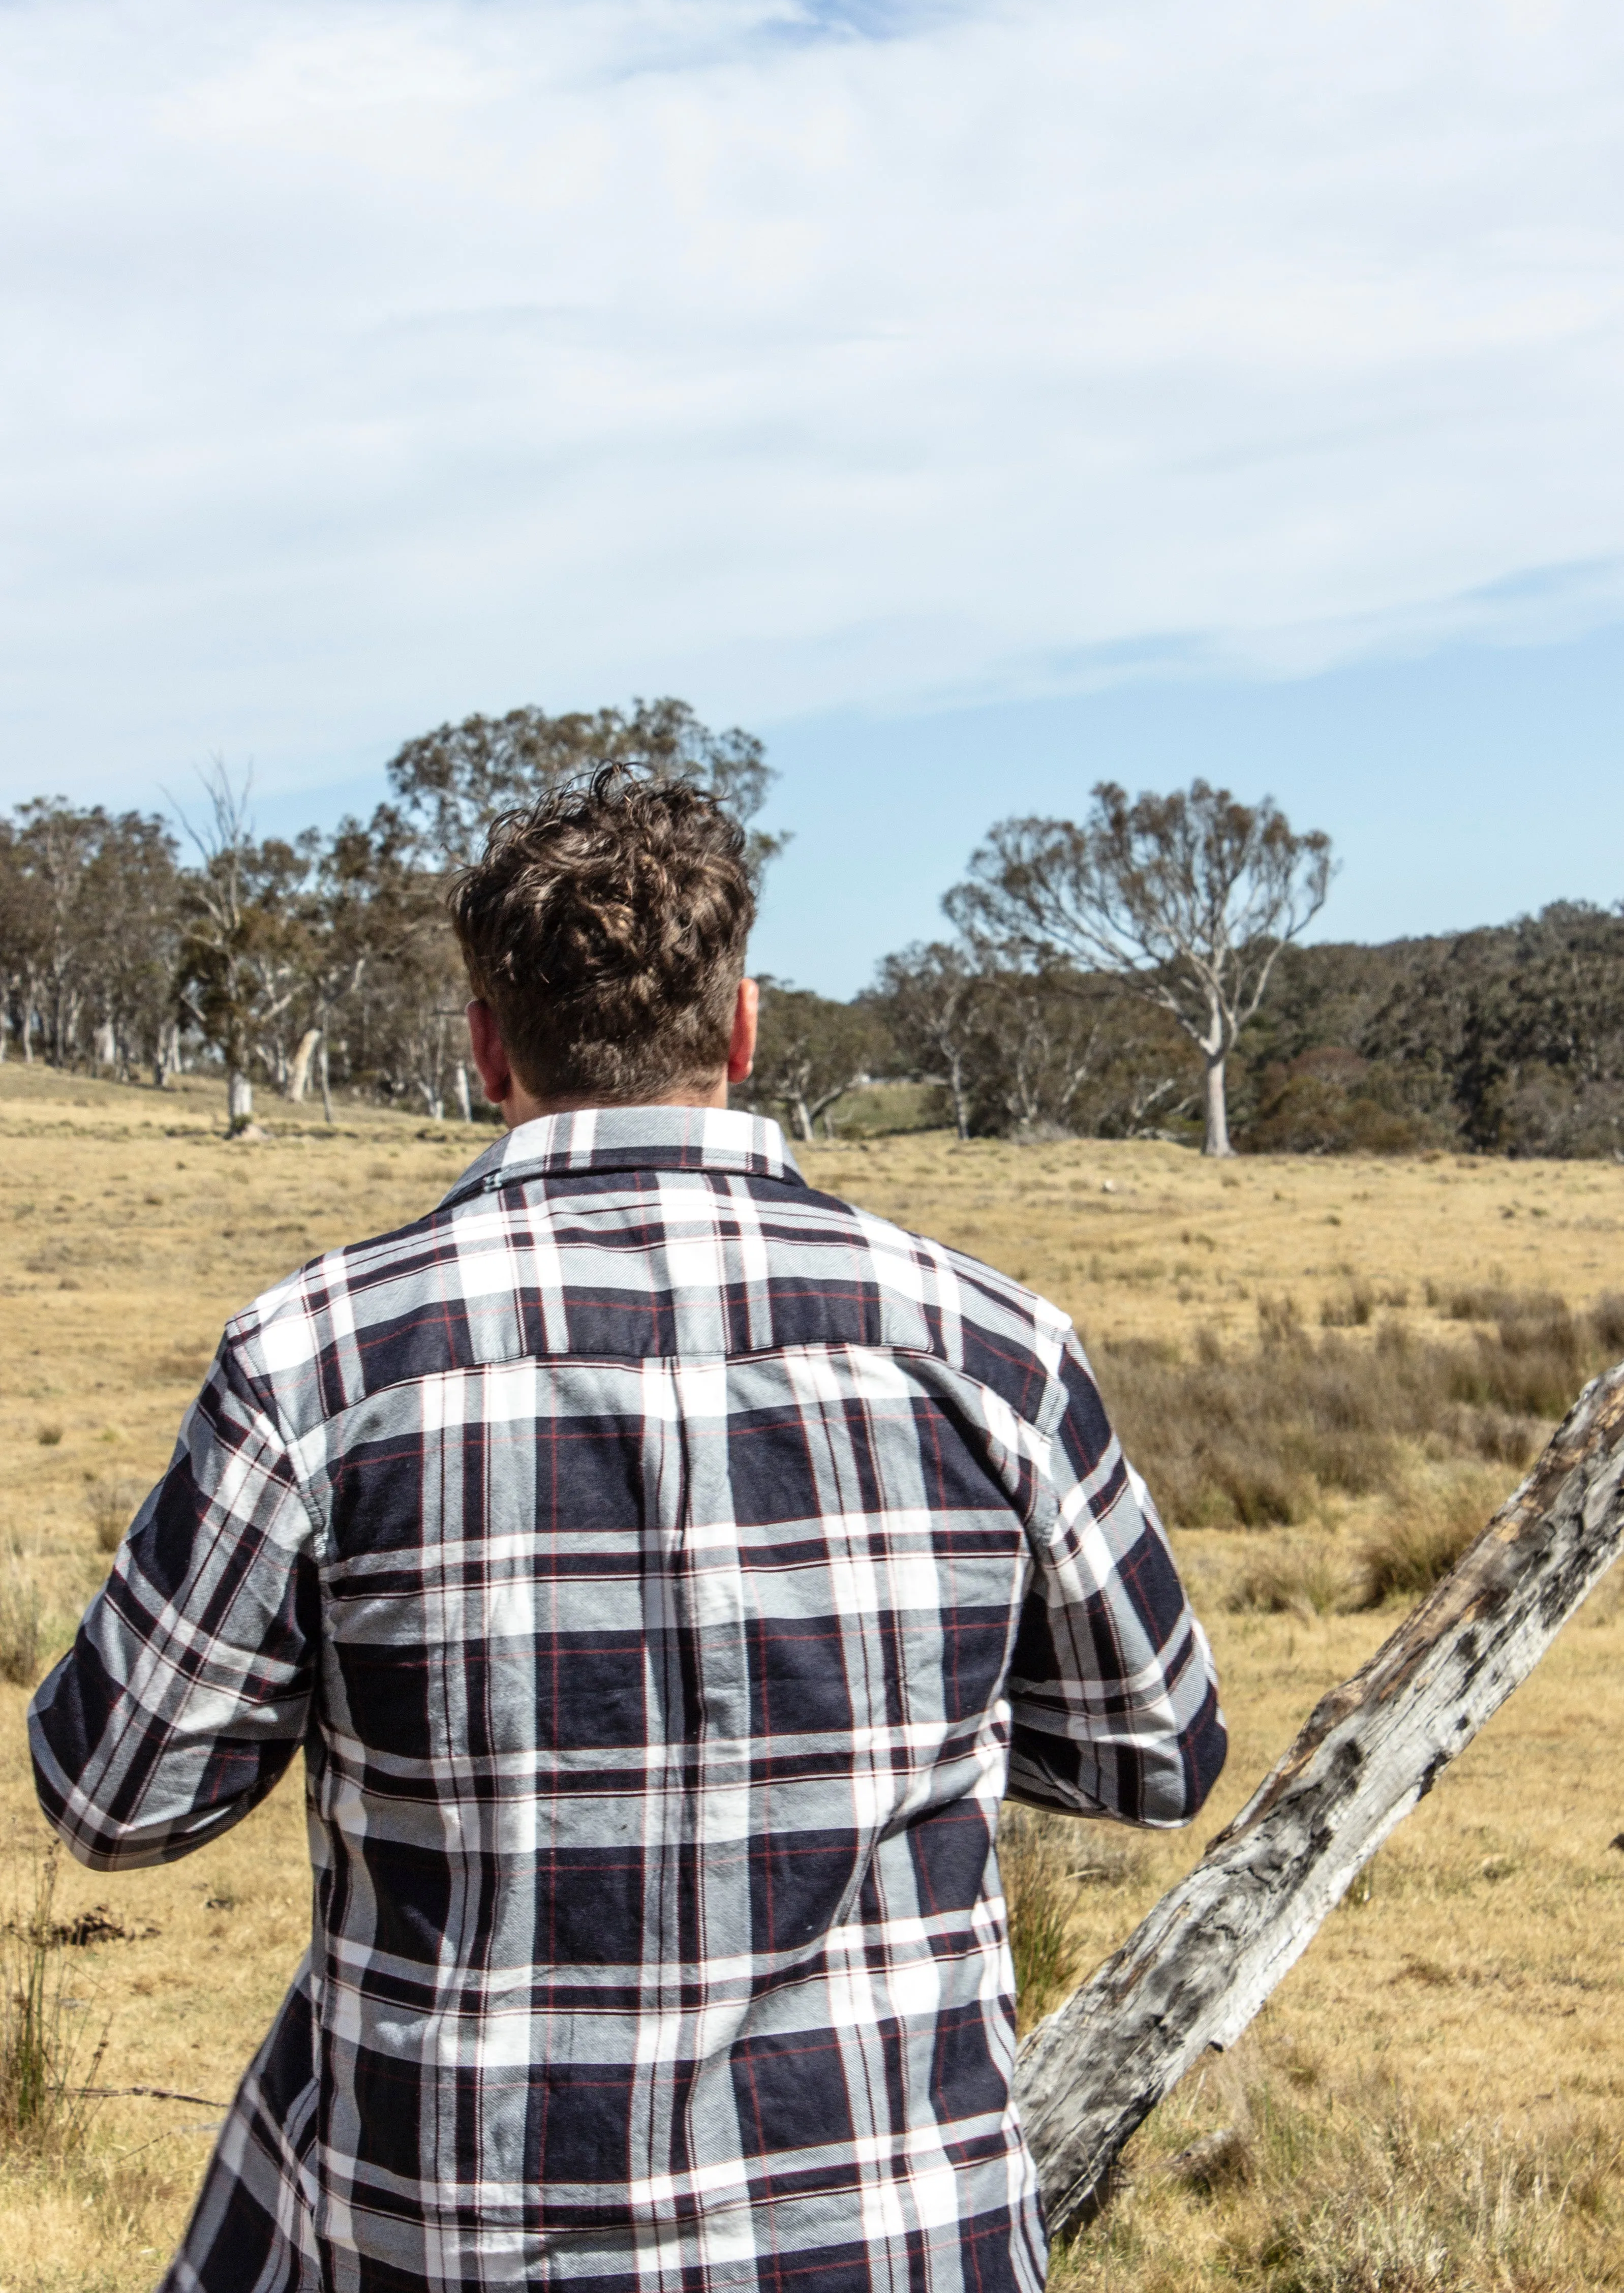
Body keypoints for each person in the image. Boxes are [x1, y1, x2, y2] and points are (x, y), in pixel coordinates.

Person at [30, 767, 1225, 2293]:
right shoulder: (994, 1347)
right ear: (740, 1028)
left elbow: (115, 1796)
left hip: (443, 2238)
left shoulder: (317, 1362)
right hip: (884, 2237)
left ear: (483, 1044)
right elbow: (1159, 1753)